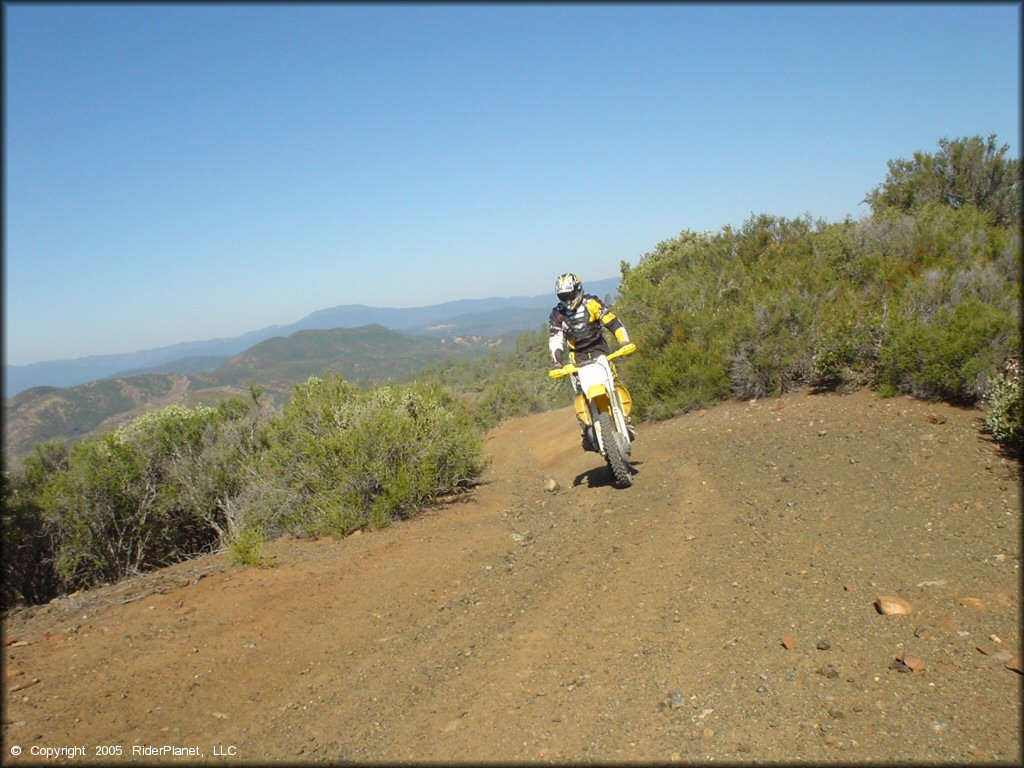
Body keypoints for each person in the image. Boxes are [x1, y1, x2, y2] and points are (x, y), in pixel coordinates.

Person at [548, 272, 634, 452]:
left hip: (599, 351)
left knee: (614, 381)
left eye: (570, 294)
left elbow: (613, 322)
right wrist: (557, 363)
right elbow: (556, 339)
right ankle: (587, 429)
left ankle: (626, 419)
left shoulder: (592, 303)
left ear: (578, 290)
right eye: (563, 296)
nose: (568, 299)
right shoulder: (558, 314)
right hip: (576, 357)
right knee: (580, 393)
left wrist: (624, 341)